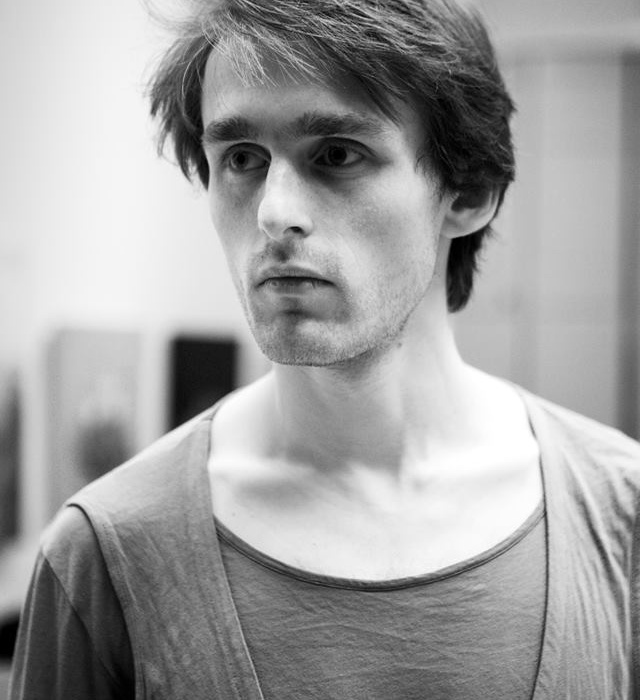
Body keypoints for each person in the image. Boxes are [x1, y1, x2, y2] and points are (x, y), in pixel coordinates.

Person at [9, 0, 640, 697]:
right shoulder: (106, 554)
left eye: (336, 155)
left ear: (468, 190)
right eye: (241, 159)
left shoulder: (621, 515)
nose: (274, 212)